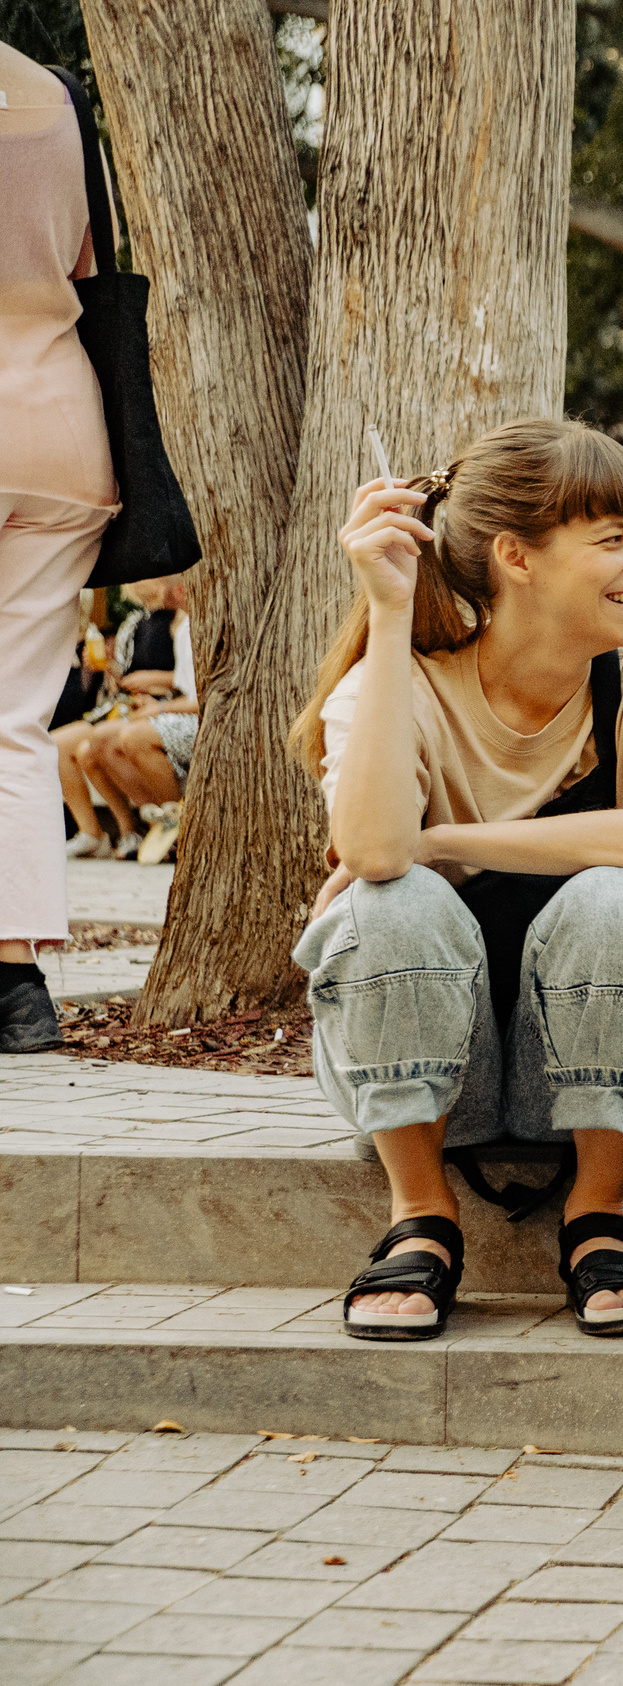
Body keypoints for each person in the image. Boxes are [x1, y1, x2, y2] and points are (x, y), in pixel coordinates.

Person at [290, 418, 623, 1344]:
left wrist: (443, 835)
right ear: (515, 556)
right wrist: (392, 608)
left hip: (593, 1075)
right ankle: (421, 1216)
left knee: (621, 894)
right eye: (613, 540)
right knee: (391, 897)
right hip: (423, 1078)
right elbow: (372, 853)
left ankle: (601, 1211)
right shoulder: (391, 687)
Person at [0, 43, 117, 1054]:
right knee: (18, 719)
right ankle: (16, 981)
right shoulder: (53, 94)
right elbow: (85, 257)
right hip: (62, 429)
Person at [57, 576, 182, 858]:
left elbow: (189, 676)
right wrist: (107, 669)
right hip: (126, 706)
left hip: (163, 705)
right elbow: (123, 679)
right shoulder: (134, 622)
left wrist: (157, 680)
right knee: (59, 745)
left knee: (93, 749)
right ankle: (96, 832)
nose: (139, 582)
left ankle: (143, 829)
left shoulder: (179, 621)